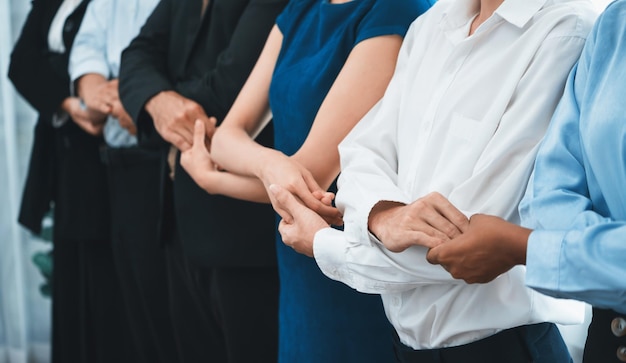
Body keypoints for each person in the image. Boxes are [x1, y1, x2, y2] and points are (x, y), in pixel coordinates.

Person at [265, 0, 599, 361]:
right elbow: (363, 152)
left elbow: (469, 242)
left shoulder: (565, 33)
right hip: (405, 347)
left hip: (503, 349)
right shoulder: (431, 24)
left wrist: (324, 244)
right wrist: (382, 214)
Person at [181, 0, 433, 361]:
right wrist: (270, 163)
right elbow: (225, 137)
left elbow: (310, 177)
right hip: (298, 264)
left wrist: (214, 181)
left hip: (353, 261)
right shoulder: (300, 9)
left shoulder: (393, 11)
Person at [424, 2, 626, 361]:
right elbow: (551, 187)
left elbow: (485, 213)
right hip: (606, 343)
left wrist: (530, 248)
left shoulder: (567, 27)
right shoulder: (616, 22)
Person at [117, 0, 288, 362]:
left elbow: (227, 91)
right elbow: (136, 53)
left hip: (248, 234)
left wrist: (148, 104)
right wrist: (155, 100)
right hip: (181, 219)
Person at [8, 0, 133, 362]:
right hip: (67, 158)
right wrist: (68, 101)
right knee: (74, 281)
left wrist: (72, 85)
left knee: (111, 283)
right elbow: (21, 63)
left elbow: (120, 63)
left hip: (112, 159)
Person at [67, 0, 175, 362]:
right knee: (136, 304)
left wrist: (139, 99)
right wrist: (96, 93)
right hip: (120, 166)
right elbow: (86, 48)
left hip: (168, 160)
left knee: (169, 309)